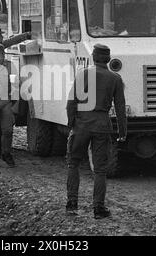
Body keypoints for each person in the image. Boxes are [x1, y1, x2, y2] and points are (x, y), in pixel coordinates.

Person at [65, 44, 127, 219]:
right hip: (102, 124)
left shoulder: (82, 74)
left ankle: (72, 204)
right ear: (108, 59)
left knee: (73, 163)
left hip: (81, 124)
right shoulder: (115, 78)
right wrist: (122, 130)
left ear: (93, 57)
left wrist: (72, 123)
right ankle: (98, 209)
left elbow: (71, 102)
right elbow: (120, 107)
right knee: (100, 169)